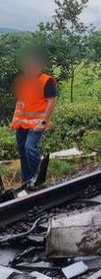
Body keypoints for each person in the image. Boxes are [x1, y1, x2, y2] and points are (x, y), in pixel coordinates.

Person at [9, 53, 57, 185]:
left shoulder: (46, 81)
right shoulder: (23, 81)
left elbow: (51, 102)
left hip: (37, 123)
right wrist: (15, 121)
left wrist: (43, 122)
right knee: (23, 151)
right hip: (22, 124)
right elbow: (20, 103)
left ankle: (38, 178)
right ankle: (27, 180)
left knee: (29, 147)